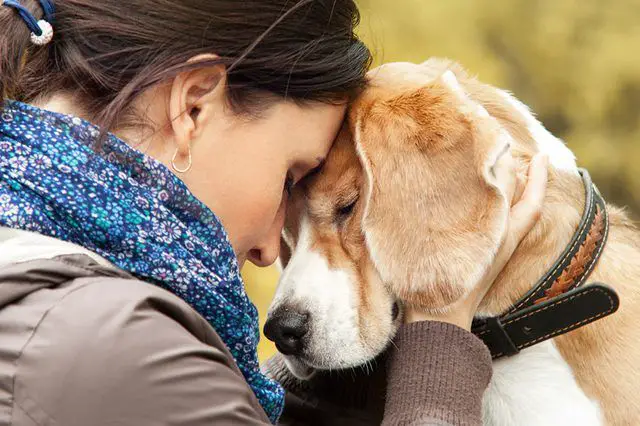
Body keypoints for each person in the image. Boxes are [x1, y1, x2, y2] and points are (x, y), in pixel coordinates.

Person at [0, 0, 548, 425]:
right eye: (289, 177)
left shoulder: (39, 279)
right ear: (192, 106)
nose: (268, 252)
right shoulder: (114, 346)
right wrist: (439, 344)